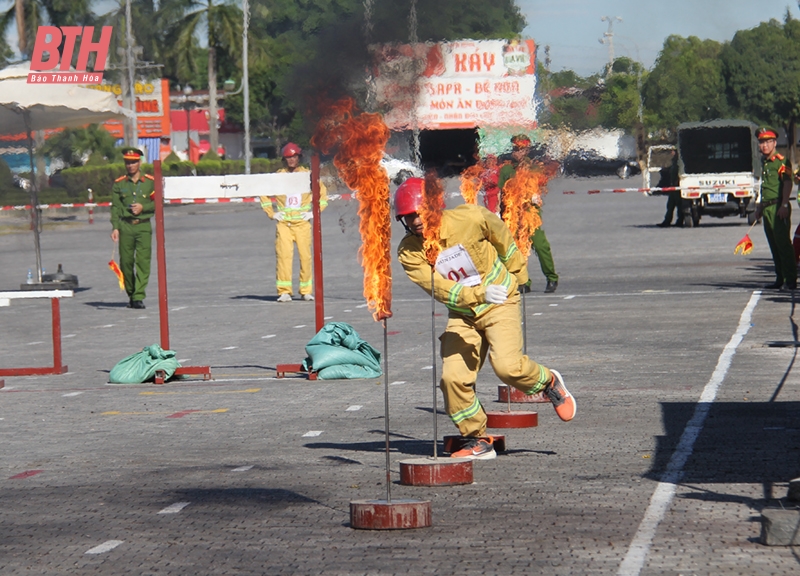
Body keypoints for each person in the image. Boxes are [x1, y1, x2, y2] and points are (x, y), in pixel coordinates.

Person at [395, 177, 576, 461]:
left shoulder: (470, 217)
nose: (414, 221)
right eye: (407, 217)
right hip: (464, 311)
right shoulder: (409, 251)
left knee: (507, 367)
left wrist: (516, 272)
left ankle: (549, 382)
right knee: (452, 378)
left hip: (500, 301)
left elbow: (500, 234)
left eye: (418, 213)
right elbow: (438, 288)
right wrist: (478, 295)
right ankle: (477, 438)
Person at [259, 142, 328, 302]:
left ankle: (306, 291)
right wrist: (272, 213)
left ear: (299, 157)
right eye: (288, 157)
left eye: (294, 157)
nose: (291, 160)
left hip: (302, 224)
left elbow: (322, 194)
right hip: (284, 224)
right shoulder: (278, 176)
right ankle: (284, 291)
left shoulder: (307, 175)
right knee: (284, 257)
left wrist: (313, 213)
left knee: (306, 257)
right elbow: (264, 194)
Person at [497, 134, 559, 293]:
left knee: (540, 246)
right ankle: (524, 282)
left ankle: (551, 278)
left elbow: (540, 185)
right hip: (513, 214)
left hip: (530, 213)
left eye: (520, 149)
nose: (516, 152)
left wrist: (534, 194)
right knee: (517, 250)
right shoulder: (507, 169)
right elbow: (503, 192)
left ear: (527, 150)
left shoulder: (535, 168)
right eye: (515, 149)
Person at [110, 147, 155, 309]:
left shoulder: (150, 182)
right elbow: (115, 207)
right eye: (127, 162)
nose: (130, 166)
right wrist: (115, 227)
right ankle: (131, 292)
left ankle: (138, 296)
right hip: (125, 226)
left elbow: (157, 203)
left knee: (143, 262)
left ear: (140, 162)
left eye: (134, 162)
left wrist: (144, 207)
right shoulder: (119, 183)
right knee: (126, 263)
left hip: (143, 226)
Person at [754, 128, 797, 291]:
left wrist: (784, 204)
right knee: (774, 245)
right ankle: (780, 277)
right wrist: (759, 207)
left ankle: (790, 279)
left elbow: (787, 183)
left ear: (774, 143)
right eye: (762, 142)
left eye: (767, 142)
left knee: (783, 245)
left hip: (778, 206)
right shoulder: (764, 163)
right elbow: (764, 187)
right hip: (767, 207)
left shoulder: (780, 161)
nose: (764, 145)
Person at [656, 149, 682, 228]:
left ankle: (680, 221)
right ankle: (667, 221)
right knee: (670, 205)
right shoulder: (674, 162)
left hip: (678, 187)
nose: (672, 153)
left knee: (679, 205)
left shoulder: (680, 162)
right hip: (672, 187)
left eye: (674, 151)